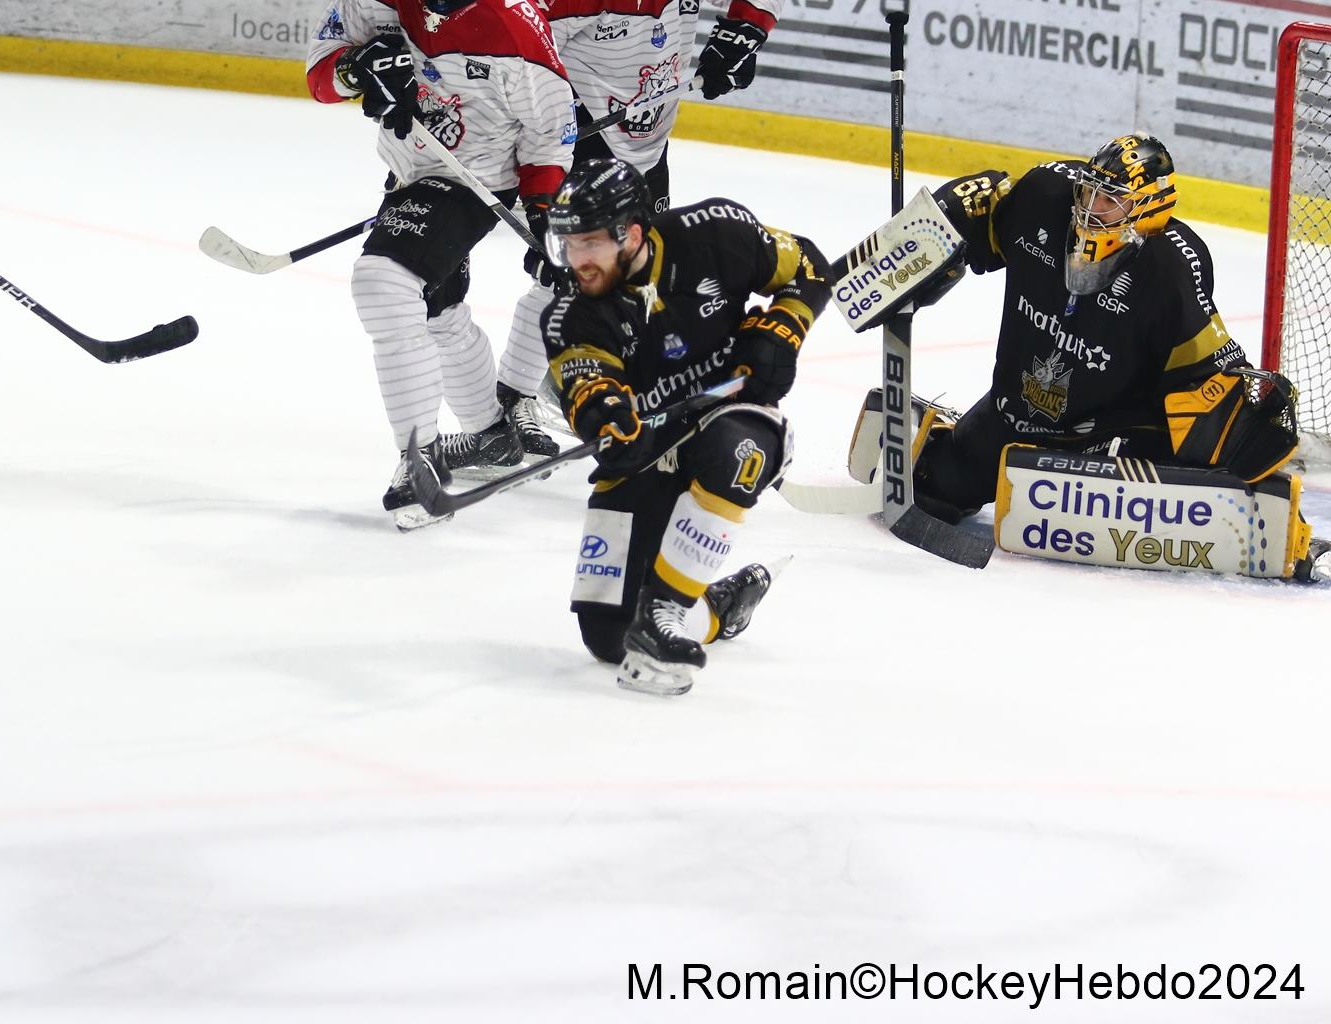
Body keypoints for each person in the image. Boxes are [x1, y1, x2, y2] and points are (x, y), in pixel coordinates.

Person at [491, 0, 787, 458]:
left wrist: (740, 37)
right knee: (568, 281)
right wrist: (564, 120)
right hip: (584, 156)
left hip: (648, 154)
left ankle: (626, 388)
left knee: (642, 279)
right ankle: (513, 401)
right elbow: (526, 60)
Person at [306, 0, 578, 528]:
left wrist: (543, 215)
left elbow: (552, 130)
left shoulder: (514, 22)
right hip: (411, 170)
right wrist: (360, 68)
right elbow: (322, 75)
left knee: (382, 281)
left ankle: (418, 457)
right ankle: (489, 431)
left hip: (478, 175)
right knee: (434, 304)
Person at [541, 157, 829, 694]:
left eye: (588, 244)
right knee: (607, 639)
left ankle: (665, 613)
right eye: (568, 245)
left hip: (731, 414)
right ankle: (718, 606)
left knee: (736, 450)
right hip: (649, 448)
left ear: (630, 234)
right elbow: (588, 386)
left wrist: (785, 328)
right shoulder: (570, 314)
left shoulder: (718, 233)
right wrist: (605, 417)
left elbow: (810, 265)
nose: (575, 259)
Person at [909, 133, 1303, 519]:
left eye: (1111, 200)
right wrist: (934, 231)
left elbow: (1204, 375)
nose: (1091, 207)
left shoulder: (1171, 272)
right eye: (1089, 191)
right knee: (935, 485)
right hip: (1013, 412)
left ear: (1149, 208)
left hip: (1104, 439)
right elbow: (986, 211)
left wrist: (1246, 422)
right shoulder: (1045, 199)